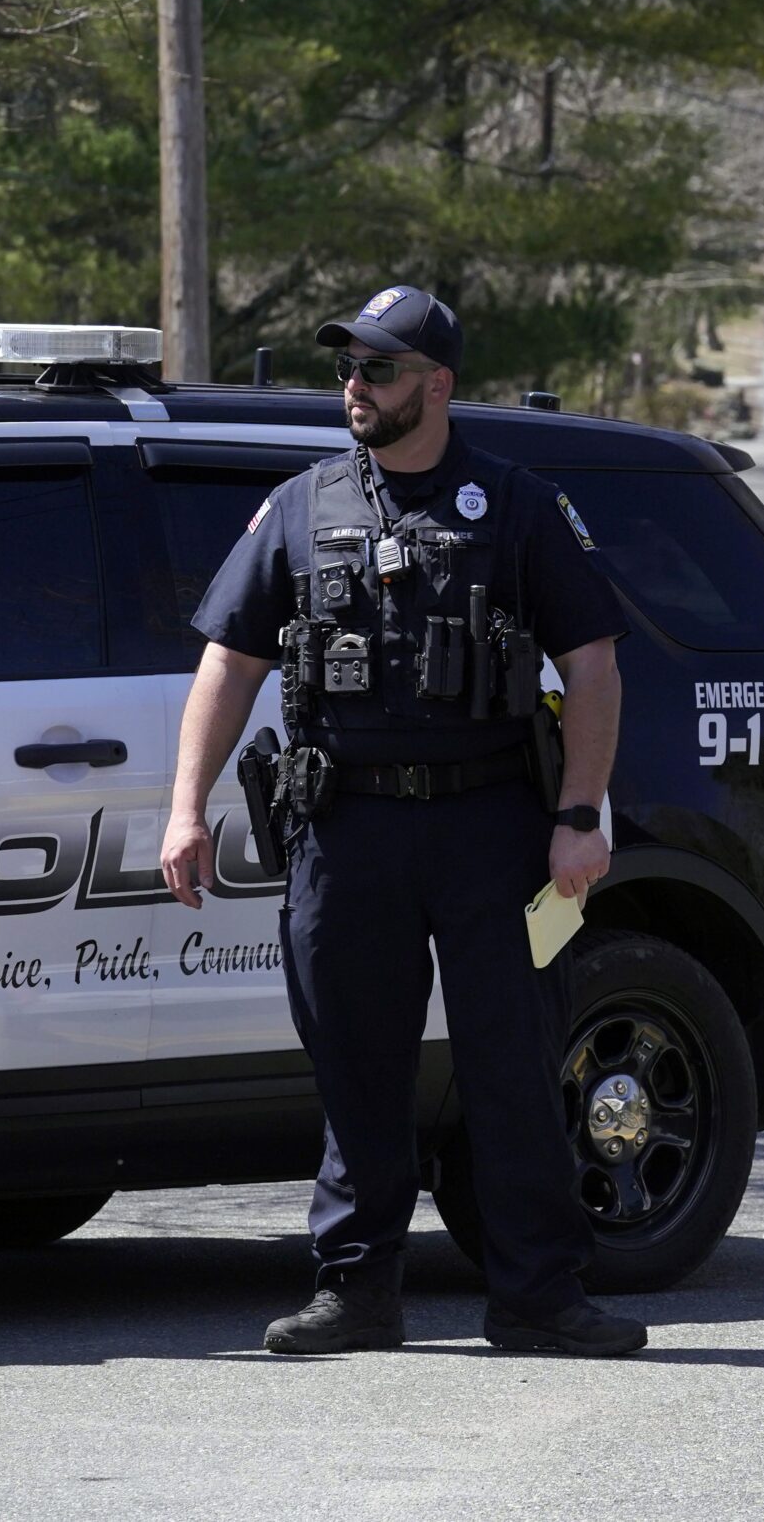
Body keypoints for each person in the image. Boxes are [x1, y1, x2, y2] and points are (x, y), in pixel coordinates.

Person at [159, 285, 650, 1358]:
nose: (355, 387)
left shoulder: (514, 503)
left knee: (512, 1063)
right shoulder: (301, 506)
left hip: (496, 827)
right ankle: (356, 1291)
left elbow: (594, 663)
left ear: (437, 384)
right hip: (347, 833)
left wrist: (578, 814)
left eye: (378, 370)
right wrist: (185, 807)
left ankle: (538, 1296)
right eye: (347, 368)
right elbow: (228, 662)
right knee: (355, 1065)